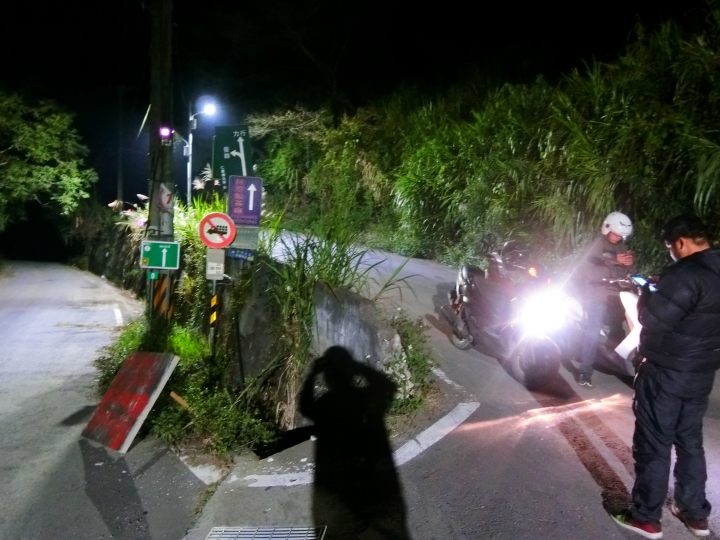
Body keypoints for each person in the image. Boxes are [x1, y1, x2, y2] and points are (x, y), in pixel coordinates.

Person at [610, 215, 720, 539]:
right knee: (689, 442)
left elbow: (652, 320)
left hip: (666, 373)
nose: (671, 252)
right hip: (701, 373)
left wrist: (646, 292)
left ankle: (645, 517)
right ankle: (694, 514)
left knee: (654, 443)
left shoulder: (685, 272)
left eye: (671, 247)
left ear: (681, 243)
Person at [577, 211, 636, 387]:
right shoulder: (596, 245)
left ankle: (621, 366)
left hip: (616, 296)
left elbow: (630, 272)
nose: (618, 237)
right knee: (593, 331)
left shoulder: (623, 248)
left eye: (622, 235)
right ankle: (585, 372)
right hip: (596, 295)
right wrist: (615, 262)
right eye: (616, 233)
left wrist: (630, 265)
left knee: (621, 331)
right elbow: (587, 269)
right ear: (607, 228)